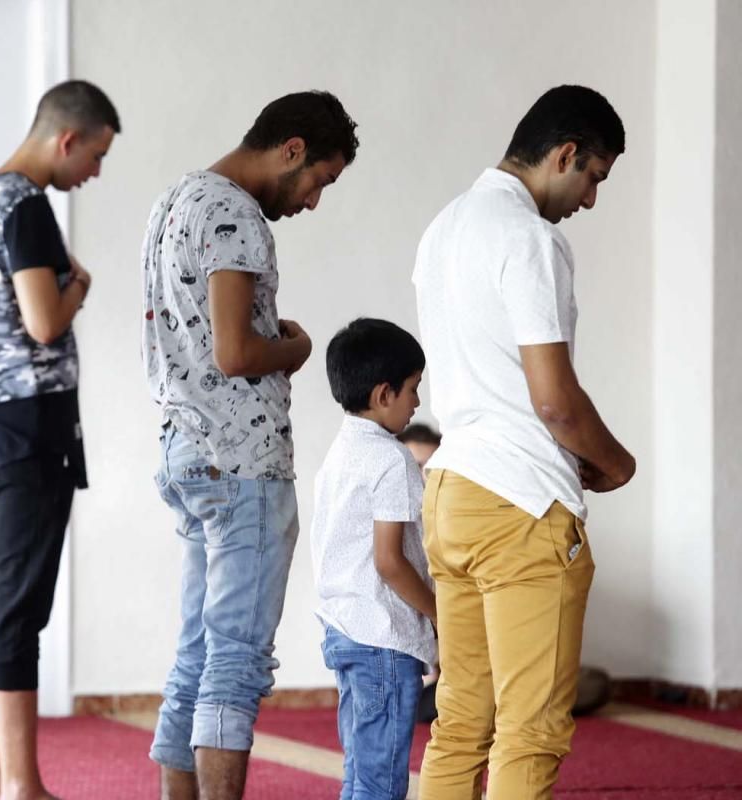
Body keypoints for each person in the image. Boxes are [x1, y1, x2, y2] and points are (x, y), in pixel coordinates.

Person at [412, 85, 636, 799]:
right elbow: (554, 400)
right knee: (530, 732)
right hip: (522, 506)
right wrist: (616, 463)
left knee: (460, 725)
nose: (591, 200)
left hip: (450, 492)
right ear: (564, 153)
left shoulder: (442, 226)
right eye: (593, 176)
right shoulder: (531, 238)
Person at [141, 90, 358, 800]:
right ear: (291, 149)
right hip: (241, 462)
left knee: (197, 651)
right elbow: (236, 353)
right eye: (319, 180)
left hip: (186, 448)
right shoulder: (235, 212)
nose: (313, 201)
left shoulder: (175, 200)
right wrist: (294, 347)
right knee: (235, 659)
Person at [0, 79, 119, 800]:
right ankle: (24, 785)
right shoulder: (26, 205)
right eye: (97, 155)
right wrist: (80, 283)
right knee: (18, 610)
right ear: (67, 138)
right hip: (29, 432)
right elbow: (44, 321)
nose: (95, 173)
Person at [311, 318, 437, 800]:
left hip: (344, 630)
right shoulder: (391, 459)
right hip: (383, 639)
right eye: (413, 389)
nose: (418, 403)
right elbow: (389, 561)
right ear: (384, 394)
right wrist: (438, 612)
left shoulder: (340, 452)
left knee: (361, 772)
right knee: (381, 783)